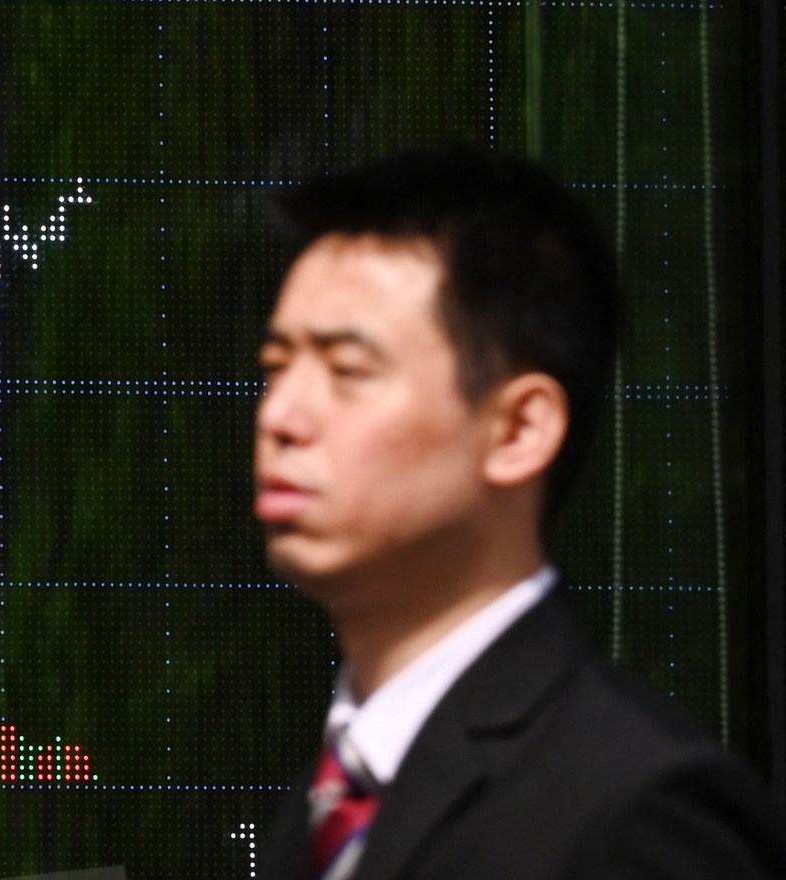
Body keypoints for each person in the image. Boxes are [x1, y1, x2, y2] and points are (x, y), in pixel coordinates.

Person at [251, 146, 786, 880]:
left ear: (518, 431)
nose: (280, 415)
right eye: (276, 367)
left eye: (348, 371)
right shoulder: (339, 784)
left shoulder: (639, 808)